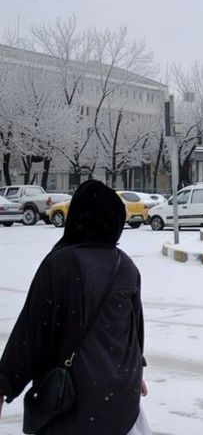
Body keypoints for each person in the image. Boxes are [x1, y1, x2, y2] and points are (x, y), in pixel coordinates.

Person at [0, 180, 150, 434]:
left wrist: (5, 383)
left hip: (70, 401)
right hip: (121, 401)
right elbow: (134, 333)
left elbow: (31, 332)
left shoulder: (60, 263)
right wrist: (135, 374)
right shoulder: (125, 266)